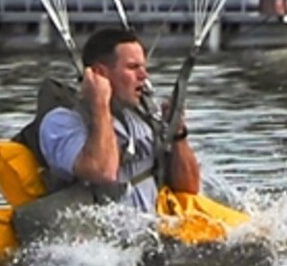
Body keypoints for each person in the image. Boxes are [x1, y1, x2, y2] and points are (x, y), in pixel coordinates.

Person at [37, 28, 201, 213]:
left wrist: (178, 134)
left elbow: (189, 188)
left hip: (158, 230)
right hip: (106, 236)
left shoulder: (143, 115)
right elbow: (103, 172)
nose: (144, 76)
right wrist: (100, 105)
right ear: (100, 73)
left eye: (143, 67)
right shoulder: (61, 122)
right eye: (132, 67)